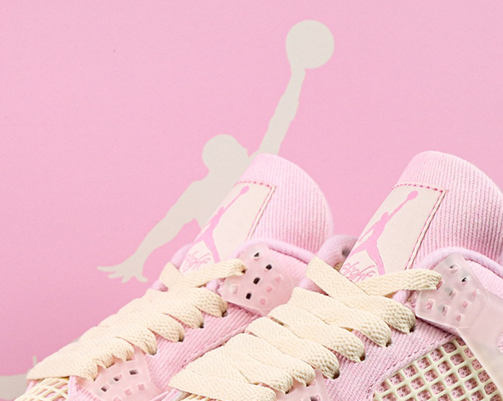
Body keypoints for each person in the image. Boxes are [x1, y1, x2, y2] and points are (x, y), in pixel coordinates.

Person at [99, 19, 334, 282]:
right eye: (237, 148)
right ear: (223, 159)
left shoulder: (221, 189)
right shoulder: (248, 189)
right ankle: (204, 296)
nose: (244, 148)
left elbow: (280, 120)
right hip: (216, 283)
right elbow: (167, 226)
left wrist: (297, 78)